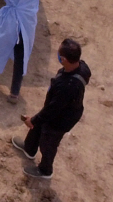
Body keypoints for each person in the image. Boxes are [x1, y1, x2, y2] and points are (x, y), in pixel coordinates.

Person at [13, 38, 90, 179]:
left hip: (60, 120)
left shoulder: (68, 86)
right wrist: (36, 121)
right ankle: (29, 148)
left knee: (48, 143)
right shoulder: (82, 68)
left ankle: (45, 170)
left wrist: (34, 120)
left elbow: (52, 110)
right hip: (57, 109)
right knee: (37, 127)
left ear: (64, 59)